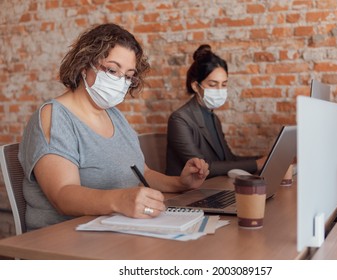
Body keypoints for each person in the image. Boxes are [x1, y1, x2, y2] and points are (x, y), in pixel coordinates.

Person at [18, 23, 209, 231]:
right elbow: (62, 195)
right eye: (112, 70)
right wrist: (120, 200)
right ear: (84, 64)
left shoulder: (115, 116)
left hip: (113, 232)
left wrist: (180, 184)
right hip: (62, 240)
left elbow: (141, 173)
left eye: (128, 76)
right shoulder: (54, 115)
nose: (120, 81)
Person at [166, 44, 265, 178]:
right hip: (187, 193)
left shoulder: (213, 118)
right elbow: (203, 167)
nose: (219, 90)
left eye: (224, 85)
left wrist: (264, 159)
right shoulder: (179, 119)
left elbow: (229, 159)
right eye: (213, 84)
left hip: (213, 188)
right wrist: (256, 164)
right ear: (196, 86)